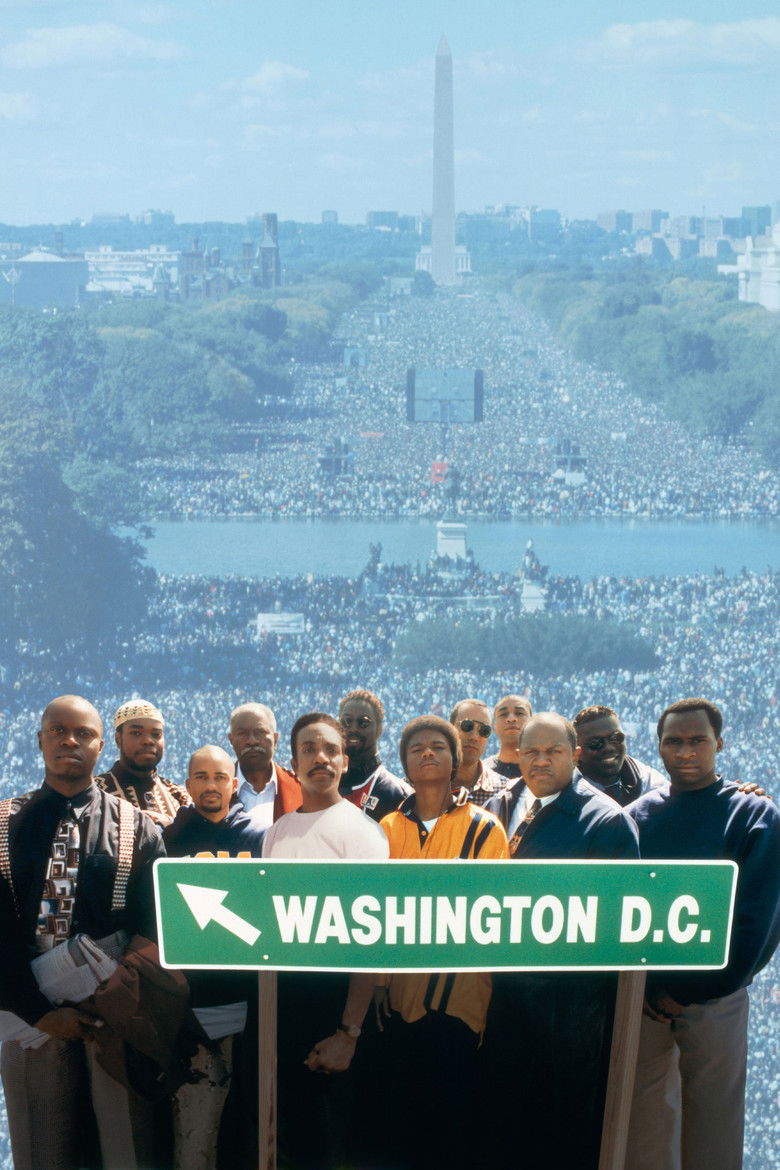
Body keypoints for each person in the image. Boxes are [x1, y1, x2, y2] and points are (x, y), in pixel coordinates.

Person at [0, 695, 165, 1170]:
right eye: (57, 731)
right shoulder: (4, 826)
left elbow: (154, 927)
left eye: (83, 734)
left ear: (101, 745)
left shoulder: (138, 828)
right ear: (40, 740)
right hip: (31, 1017)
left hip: (113, 1017)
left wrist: (113, 998)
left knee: (124, 1150)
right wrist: (39, 1012)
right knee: (42, 1150)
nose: (69, 741)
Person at [625, 698, 780, 1170]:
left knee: (714, 1124)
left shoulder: (753, 814)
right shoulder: (635, 817)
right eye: (674, 741)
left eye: (697, 741)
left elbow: (757, 921)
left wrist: (697, 990)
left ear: (719, 744)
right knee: (643, 1126)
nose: (686, 751)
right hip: (644, 994)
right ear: (659, 747)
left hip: (717, 996)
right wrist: (650, 989)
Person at [483, 712, 640, 1170]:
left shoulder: (606, 822)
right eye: (531, 751)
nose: (541, 760)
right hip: (499, 997)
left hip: (567, 1007)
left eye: (553, 751)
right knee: (502, 1131)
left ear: (573, 756)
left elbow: (618, 925)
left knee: (562, 1134)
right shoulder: (496, 807)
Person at [379, 714, 509, 1170]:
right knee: (400, 1135)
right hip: (395, 1005)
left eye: (437, 746)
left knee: (452, 1138)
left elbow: (490, 916)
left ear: (456, 759)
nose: (427, 753)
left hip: (461, 1005)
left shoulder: (485, 829)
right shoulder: (385, 829)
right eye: (416, 749)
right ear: (405, 764)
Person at [262, 713, 389, 1170]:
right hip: (282, 1008)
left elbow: (370, 943)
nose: (321, 758)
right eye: (310, 750)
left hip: (335, 1011)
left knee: (329, 1146)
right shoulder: (276, 832)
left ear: (344, 760)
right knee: (287, 1143)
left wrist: (348, 1033)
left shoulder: (362, 833)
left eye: (331, 749)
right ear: (293, 763)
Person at [164, 745, 264, 1170]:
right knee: (196, 1137)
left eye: (219, 776)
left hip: (254, 1007)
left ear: (234, 782)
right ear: (187, 785)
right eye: (201, 776)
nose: (210, 785)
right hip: (197, 1008)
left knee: (249, 1132)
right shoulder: (168, 840)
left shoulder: (259, 837)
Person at [96, 698, 190, 826]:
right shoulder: (95, 791)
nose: (148, 740)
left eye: (156, 734)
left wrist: (170, 824)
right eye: (136, 733)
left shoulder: (180, 796)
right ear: (118, 740)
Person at [337, 688, 410, 821]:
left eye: (363, 722)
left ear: (379, 730)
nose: (353, 728)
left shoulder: (399, 794)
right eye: (347, 721)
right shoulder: (321, 788)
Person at [573, 704, 666, 807]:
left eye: (616, 738)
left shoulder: (652, 784)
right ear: (577, 752)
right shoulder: (565, 793)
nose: (608, 748)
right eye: (595, 743)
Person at [227, 702, 301, 829]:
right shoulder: (217, 792)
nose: (252, 741)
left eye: (260, 732)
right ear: (231, 740)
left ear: (275, 739)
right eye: (242, 733)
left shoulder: (301, 789)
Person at [449, 698, 504, 804]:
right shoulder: (423, 784)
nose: (474, 737)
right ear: (449, 729)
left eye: (484, 730)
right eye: (467, 726)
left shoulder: (504, 791)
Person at [484, 693, 532, 779]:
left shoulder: (541, 771)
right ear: (494, 726)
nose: (511, 718)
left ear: (532, 722)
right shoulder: (483, 772)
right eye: (503, 714)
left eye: (519, 713)